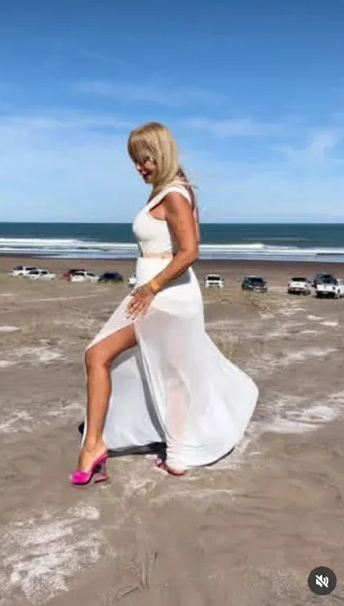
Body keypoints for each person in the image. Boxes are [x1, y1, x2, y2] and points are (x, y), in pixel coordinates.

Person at [70, 122, 259, 484]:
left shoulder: (173, 194)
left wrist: (151, 287)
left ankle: (93, 447)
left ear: (162, 154)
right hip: (168, 295)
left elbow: (190, 251)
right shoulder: (174, 189)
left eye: (146, 159)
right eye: (135, 161)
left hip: (163, 297)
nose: (139, 167)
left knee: (96, 356)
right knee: (173, 376)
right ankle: (177, 456)